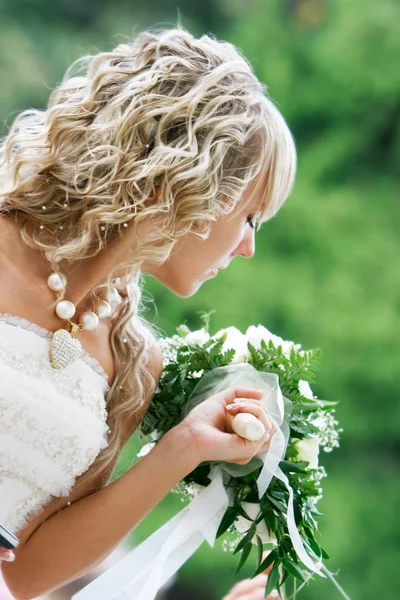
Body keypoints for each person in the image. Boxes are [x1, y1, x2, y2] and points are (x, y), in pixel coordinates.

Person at [0, 26, 296, 600]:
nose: (248, 248)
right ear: (197, 180)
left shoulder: (131, 363)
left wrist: (184, 447)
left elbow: (25, 574)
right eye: (250, 218)